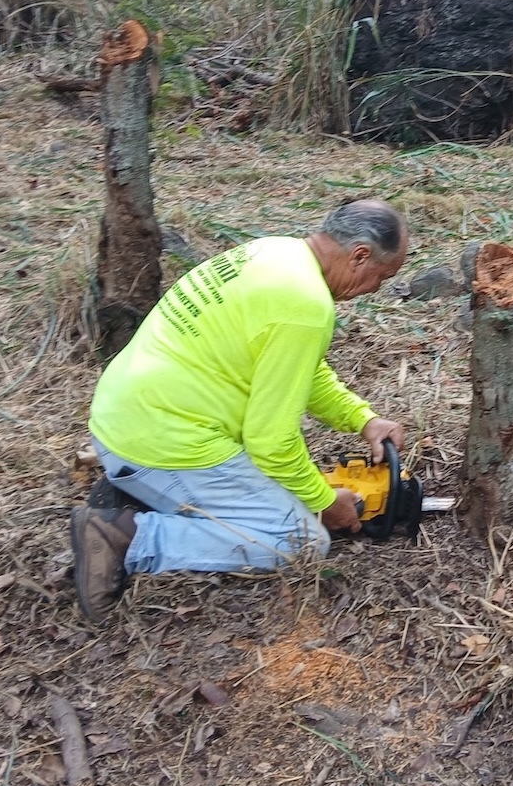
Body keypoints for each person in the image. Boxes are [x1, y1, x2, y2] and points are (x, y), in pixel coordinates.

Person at [72, 199, 410, 623]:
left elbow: (304, 370)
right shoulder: (304, 305)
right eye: (383, 276)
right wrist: (325, 503)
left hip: (124, 420)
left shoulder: (275, 253)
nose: (376, 288)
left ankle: (135, 493)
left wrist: (363, 419)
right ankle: (127, 536)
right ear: (360, 255)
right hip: (164, 440)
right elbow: (271, 442)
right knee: (301, 539)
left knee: (284, 492)